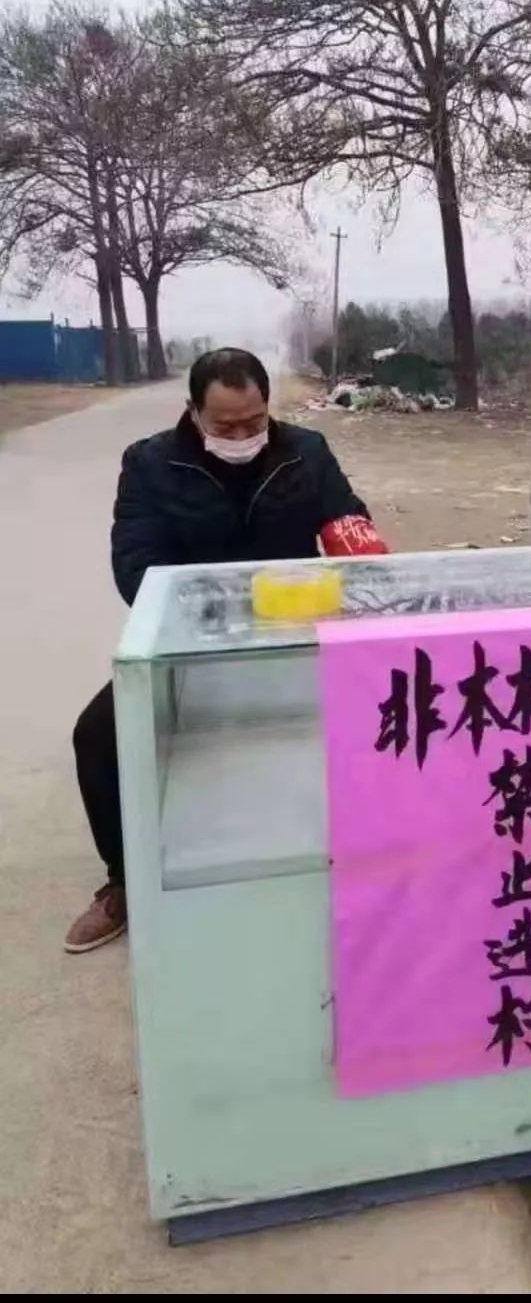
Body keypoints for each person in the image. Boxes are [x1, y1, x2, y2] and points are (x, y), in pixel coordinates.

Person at [66, 347, 371, 954]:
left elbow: (347, 521)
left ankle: (372, 856)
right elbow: (135, 568)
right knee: (97, 737)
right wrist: (221, 608)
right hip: (192, 637)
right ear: (194, 412)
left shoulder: (305, 452)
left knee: (387, 704)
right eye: (225, 426)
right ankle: (124, 880)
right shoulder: (151, 463)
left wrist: (359, 547)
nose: (241, 437)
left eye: (254, 423)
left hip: (294, 632)